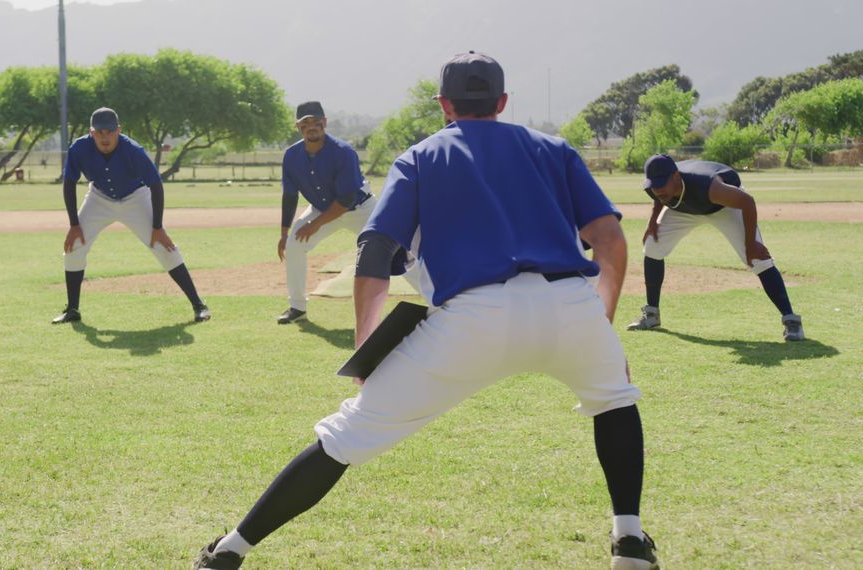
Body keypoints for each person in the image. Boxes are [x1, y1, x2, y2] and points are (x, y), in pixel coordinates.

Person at [192, 51, 658, 570]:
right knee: (614, 402)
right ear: (503, 102)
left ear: (443, 105)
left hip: (473, 317)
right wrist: (599, 328)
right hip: (570, 304)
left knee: (346, 437)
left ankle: (230, 550)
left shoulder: (420, 157)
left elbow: (373, 257)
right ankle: (630, 541)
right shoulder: (554, 148)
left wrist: (365, 358)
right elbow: (610, 240)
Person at [51, 107, 210, 324]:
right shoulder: (79, 148)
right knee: (74, 246)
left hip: (136, 197)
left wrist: (157, 227)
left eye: (110, 131)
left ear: (119, 130)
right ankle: (72, 310)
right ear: (91, 132)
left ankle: (199, 305)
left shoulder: (133, 150)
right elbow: (69, 183)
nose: (105, 137)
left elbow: (156, 185)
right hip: (99, 198)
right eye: (100, 132)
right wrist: (74, 224)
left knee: (164, 247)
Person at [627, 154, 803, 341]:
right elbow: (659, 197)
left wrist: (751, 244)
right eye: (653, 185)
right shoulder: (656, 187)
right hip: (684, 209)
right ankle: (652, 314)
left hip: (722, 206)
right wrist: (653, 221)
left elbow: (747, 202)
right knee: (653, 246)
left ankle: (791, 321)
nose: (656, 189)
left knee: (758, 258)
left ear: (676, 177)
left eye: (661, 183)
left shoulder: (709, 185)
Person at [274, 101, 377, 325]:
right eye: (305, 123)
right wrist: (284, 232)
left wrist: (315, 224)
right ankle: (297, 307)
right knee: (294, 245)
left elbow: (347, 199)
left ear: (324, 122)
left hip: (360, 209)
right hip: (322, 209)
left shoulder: (343, 152)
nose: (311, 126)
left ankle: (437, 301)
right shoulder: (291, 156)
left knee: (397, 248)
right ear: (298, 127)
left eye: (315, 121)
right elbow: (290, 195)